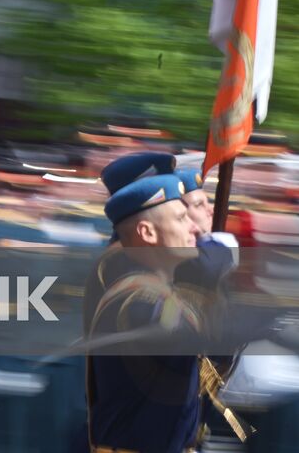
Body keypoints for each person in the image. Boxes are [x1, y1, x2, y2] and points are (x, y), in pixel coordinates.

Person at [84, 172, 207, 453]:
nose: (194, 228)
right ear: (148, 233)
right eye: (181, 218)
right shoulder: (136, 299)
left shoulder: (159, 291)